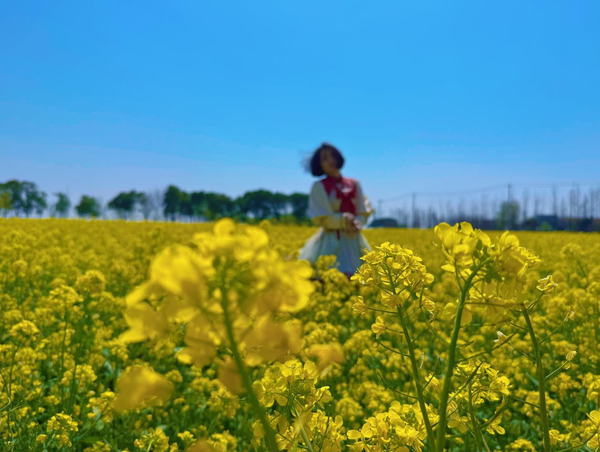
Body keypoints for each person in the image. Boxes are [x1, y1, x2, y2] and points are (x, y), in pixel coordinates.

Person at [298, 143, 374, 278]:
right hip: (330, 240)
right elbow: (321, 217)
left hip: (354, 238)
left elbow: (363, 210)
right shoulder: (319, 187)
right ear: (319, 164)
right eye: (324, 158)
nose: (330, 160)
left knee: (364, 278)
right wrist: (343, 220)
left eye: (333, 155)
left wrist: (357, 223)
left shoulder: (355, 184)